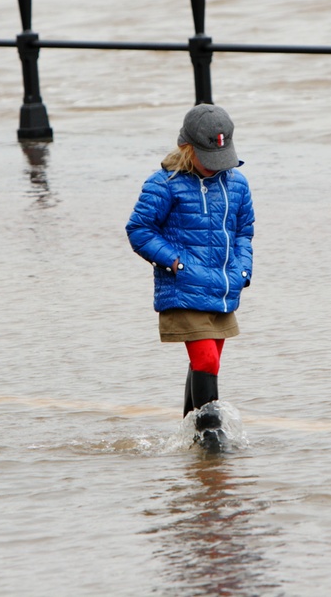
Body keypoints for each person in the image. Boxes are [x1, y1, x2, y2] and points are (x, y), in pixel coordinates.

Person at [126, 104, 255, 448]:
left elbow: (244, 231)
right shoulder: (163, 184)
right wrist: (176, 264)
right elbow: (139, 230)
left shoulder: (237, 184)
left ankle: (190, 435)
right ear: (188, 148)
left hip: (224, 288)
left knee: (206, 365)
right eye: (209, 157)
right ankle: (212, 438)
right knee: (206, 360)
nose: (217, 166)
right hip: (182, 288)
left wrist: (243, 268)